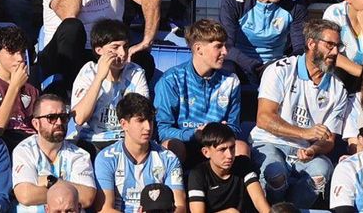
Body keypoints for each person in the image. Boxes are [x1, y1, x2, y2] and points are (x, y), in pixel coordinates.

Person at [249, 15, 349, 210]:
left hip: (305, 151)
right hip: (269, 141)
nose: (335, 52)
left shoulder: (338, 88)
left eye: (338, 46)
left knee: (322, 171)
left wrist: (313, 149)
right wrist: (305, 133)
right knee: (275, 172)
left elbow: (328, 140)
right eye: (329, 45)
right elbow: (263, 118)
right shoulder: (280, 70)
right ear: (311, 43)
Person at [153, 20, 243, 158]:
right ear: (198, 49)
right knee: (171, 146)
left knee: (241, 148)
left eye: (225, 46)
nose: (225, 52)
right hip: (185, 143)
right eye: (218, 46)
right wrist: (194, 134)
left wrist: (217, 133)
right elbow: (162, 129)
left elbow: (235, 127)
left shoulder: (231, 81)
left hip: (217, 146)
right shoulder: (171, 79)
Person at [94, 94, 186, 213]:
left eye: (150, 120)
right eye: (140, 120)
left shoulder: (169, 158)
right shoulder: (106, 159)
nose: (148, 127)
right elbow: (104, 209)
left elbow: (180, 206)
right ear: (124, 124)